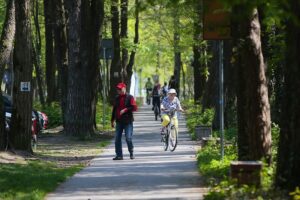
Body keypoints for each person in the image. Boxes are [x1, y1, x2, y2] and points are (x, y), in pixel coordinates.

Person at [111, 82, 138, 160]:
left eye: (120, 89)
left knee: (128, 138)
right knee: (117, 138)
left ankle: (131, 152)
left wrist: (125, 109)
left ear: (124, 88)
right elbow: (114, 110)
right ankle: (119, 155)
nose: (118, 90)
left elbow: (135, 108)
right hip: (119, 121)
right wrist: (112, 120)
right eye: (118, 89)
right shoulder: (117, 98)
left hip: (128, 122)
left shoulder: (130, 97)